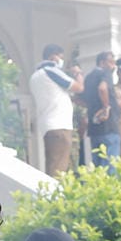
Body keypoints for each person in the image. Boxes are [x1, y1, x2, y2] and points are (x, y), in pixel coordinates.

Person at [30, 44, 83, 177]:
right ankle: (55, 197)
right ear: (53, 56)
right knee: (59, 169)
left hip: (49, 126)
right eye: (61, 57)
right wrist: (78, 73)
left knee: (54, 164)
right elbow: (78, 87)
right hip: (60, 126)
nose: (61, 60)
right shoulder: (50, 70)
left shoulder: (35, 76)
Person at [82, 51, 120, 171]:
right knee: (110, 165)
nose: (113, 66)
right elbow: (102, 88)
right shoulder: (105, 73)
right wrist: (105, 107)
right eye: (111, 62)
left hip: (94, 128)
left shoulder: (88, 77)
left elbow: (80, 99)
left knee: (98, 166)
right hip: (108, 126)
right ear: (102, 63)